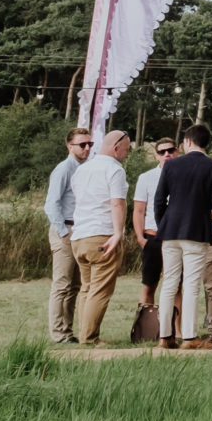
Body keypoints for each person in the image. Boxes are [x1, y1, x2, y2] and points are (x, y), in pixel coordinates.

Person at [153, 124, 212, 349]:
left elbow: (158, 200)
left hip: (170, 230)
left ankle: (165, 335)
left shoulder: (171, 164)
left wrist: (163, 224)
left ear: (187, 142)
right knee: (192, 283)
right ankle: (190, 337)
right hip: (196, 230)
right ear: (206, 144)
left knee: (169, 283)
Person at [66, 130, 133, 344]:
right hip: (102, 235)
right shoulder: (114, 170)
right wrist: (118, 233)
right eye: (126, 150)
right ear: (116, 148)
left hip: (79, 236)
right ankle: (90, 337)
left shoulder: (82, 170)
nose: (126, 154)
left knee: (87, 287)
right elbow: (117, 202)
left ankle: (86, 334)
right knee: (101, 289)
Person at [43, 127, 92, 344]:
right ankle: (57, 333)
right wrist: (63, 231)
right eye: (82, 144)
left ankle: (67, 330)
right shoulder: (64, 169)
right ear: (70, 146)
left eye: (89, 144)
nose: (87, 148)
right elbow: (51, 203)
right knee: (61, 284)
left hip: (80, 229)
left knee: (75, 285)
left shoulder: (85, 168)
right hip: (65, 228)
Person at [132, 138, 173, 325]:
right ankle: (145, 328)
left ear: (177, 152)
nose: (167, 154)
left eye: (171, 150)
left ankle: (176, 329)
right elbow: (139, 210)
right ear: (156, 155)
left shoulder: (182, 175)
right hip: (153, 236)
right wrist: (141, 237)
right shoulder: (146, 178)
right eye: (162, 151)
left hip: (175, 237)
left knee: (176, 285)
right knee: (149, 285)